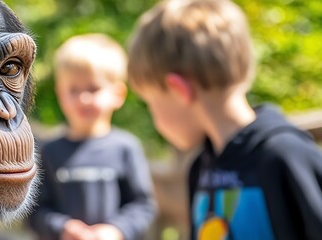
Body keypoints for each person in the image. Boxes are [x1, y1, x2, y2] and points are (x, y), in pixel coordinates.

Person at [127, 0, 322, 239]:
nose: (154, 117)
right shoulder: (201, 167)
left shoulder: (285, 154)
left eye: (150, 102)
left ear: (178, 90)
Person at [28, 33, 157, 240]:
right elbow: (35, 210)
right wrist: (63, 227)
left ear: (118, 94)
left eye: (93, 89)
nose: (83, 99)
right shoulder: (50, 151)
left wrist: (115, 230)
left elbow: (142, 206)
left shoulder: (125, 148)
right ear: (60, 94)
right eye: (74, 90)